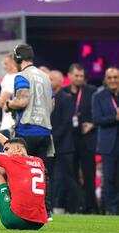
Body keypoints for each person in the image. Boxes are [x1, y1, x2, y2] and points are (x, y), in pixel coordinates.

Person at [5, 44, 53, 219]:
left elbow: (22, 100)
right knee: (42, 171)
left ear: (18, 59)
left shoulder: (22, 76)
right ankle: (46, 211)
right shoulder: (46, 77)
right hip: (45, 130)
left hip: (27, 129)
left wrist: (9, 104)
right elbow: (52, 104)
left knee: (20, 170)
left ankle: (22, 208)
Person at [62, 63, 98, 214]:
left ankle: (91, 208)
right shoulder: (63, 93)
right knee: (71, 175)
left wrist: (93, 124)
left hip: (87, 139)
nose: (79, 78)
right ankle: (75, 207)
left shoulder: (92, 91)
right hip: (69, 140)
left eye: (81, 76)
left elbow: (100, 112)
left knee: (89, 175)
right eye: (76, 75)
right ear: (69, 76)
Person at [49, 70, 83, 214]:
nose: (49, 81)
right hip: (52, 145)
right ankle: (54, 206)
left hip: (64, 146)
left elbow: (66, 123)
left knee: (69, 178)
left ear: (60, 81)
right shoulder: (48, 98)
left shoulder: (66, 98)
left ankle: (78, 207)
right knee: (52, 178)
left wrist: (52, 138)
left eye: (51, 79)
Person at [92, 67, 119, 215]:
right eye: (110, 78)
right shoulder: (98, 96)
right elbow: (96, 119)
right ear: (105, 80)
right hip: (108, 145)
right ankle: (111, 211)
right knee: (109, 180)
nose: (113, 80)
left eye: (116, 77)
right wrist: (115, 118)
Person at [0, 53, 18, 139]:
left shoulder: (10, 78)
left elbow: (1, 102)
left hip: (8, 124)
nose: (4, 67)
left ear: (13, 63)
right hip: (19, 124)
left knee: (5, 151)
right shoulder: (24, 76)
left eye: (6, 64)